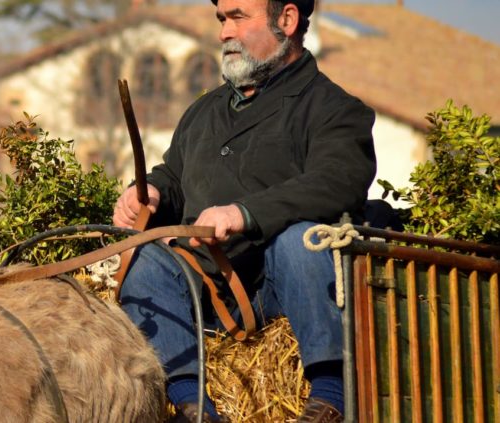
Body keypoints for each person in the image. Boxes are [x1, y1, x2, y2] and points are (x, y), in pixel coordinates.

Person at [112, 0, 376, 422]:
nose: (224, 34)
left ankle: (330, 395)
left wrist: (243, 213)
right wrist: (152, 194)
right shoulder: (203, 111)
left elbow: (337, 181)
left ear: (287, 21)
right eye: (221, 20)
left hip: (281, 291)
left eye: (238, 17)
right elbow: (175, 176)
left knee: (299, 240)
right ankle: (192, 402)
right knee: (144, 259)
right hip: (206, 292)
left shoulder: (336, 109)